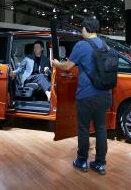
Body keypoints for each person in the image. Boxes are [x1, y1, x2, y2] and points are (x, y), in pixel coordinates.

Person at [52, 17, 112, 175]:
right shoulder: (105, 45)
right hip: (104, 93)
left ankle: (81, 161)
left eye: (82, 29)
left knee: (84, 129)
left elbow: (67, 67)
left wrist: (56, 64)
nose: (81, 32)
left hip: (86, 94)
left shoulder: (81, 45)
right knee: (101, 129)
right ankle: (100, 164)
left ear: (85, 29)